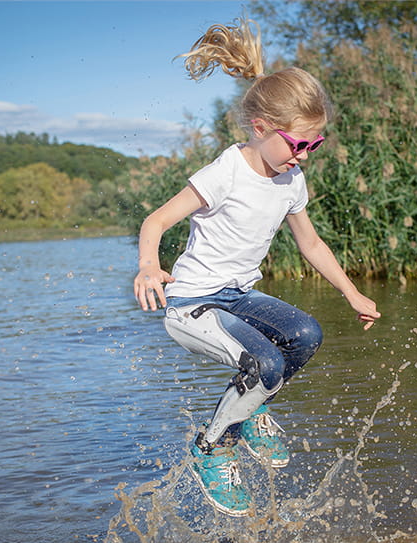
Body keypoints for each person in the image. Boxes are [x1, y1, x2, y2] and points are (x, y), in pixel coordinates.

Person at [133, 18, 380, 517]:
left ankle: (249, 410)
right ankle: (211, 448)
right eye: (297, 144)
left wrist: (351, 293)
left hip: (238, 297)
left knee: (306, 335)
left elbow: (310, 244)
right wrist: (146, 267)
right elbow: (155, 220)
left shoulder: (290, 182)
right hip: (191, 304)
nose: (303, 156)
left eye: (314, 146)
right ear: (261, 128)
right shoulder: (225, 172)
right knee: (263, 364)